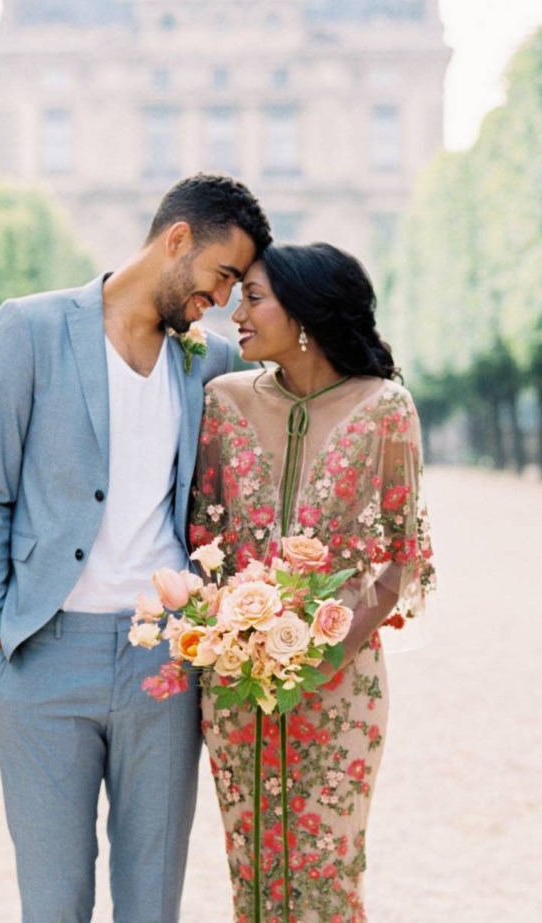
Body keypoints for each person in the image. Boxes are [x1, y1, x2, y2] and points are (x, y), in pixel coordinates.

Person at [0, 173, 271, 923]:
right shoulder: (29, 328)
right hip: (41, 659)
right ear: (176, 240)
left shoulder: (211, 362)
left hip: (164, 661)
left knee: (150, 904)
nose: (222, 300)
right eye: (221, 276)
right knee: (54, 903)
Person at [189, 242, 437, 922]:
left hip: (341, 685)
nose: (236, 311)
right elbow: (201, 544)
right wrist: (232, 633)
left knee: (329, 872)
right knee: (253, 870)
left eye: (255, 297)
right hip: (237, 686)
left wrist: (326, 648)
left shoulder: (386, 407)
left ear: (303, 311)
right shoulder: (222, 402)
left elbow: (405, 559)